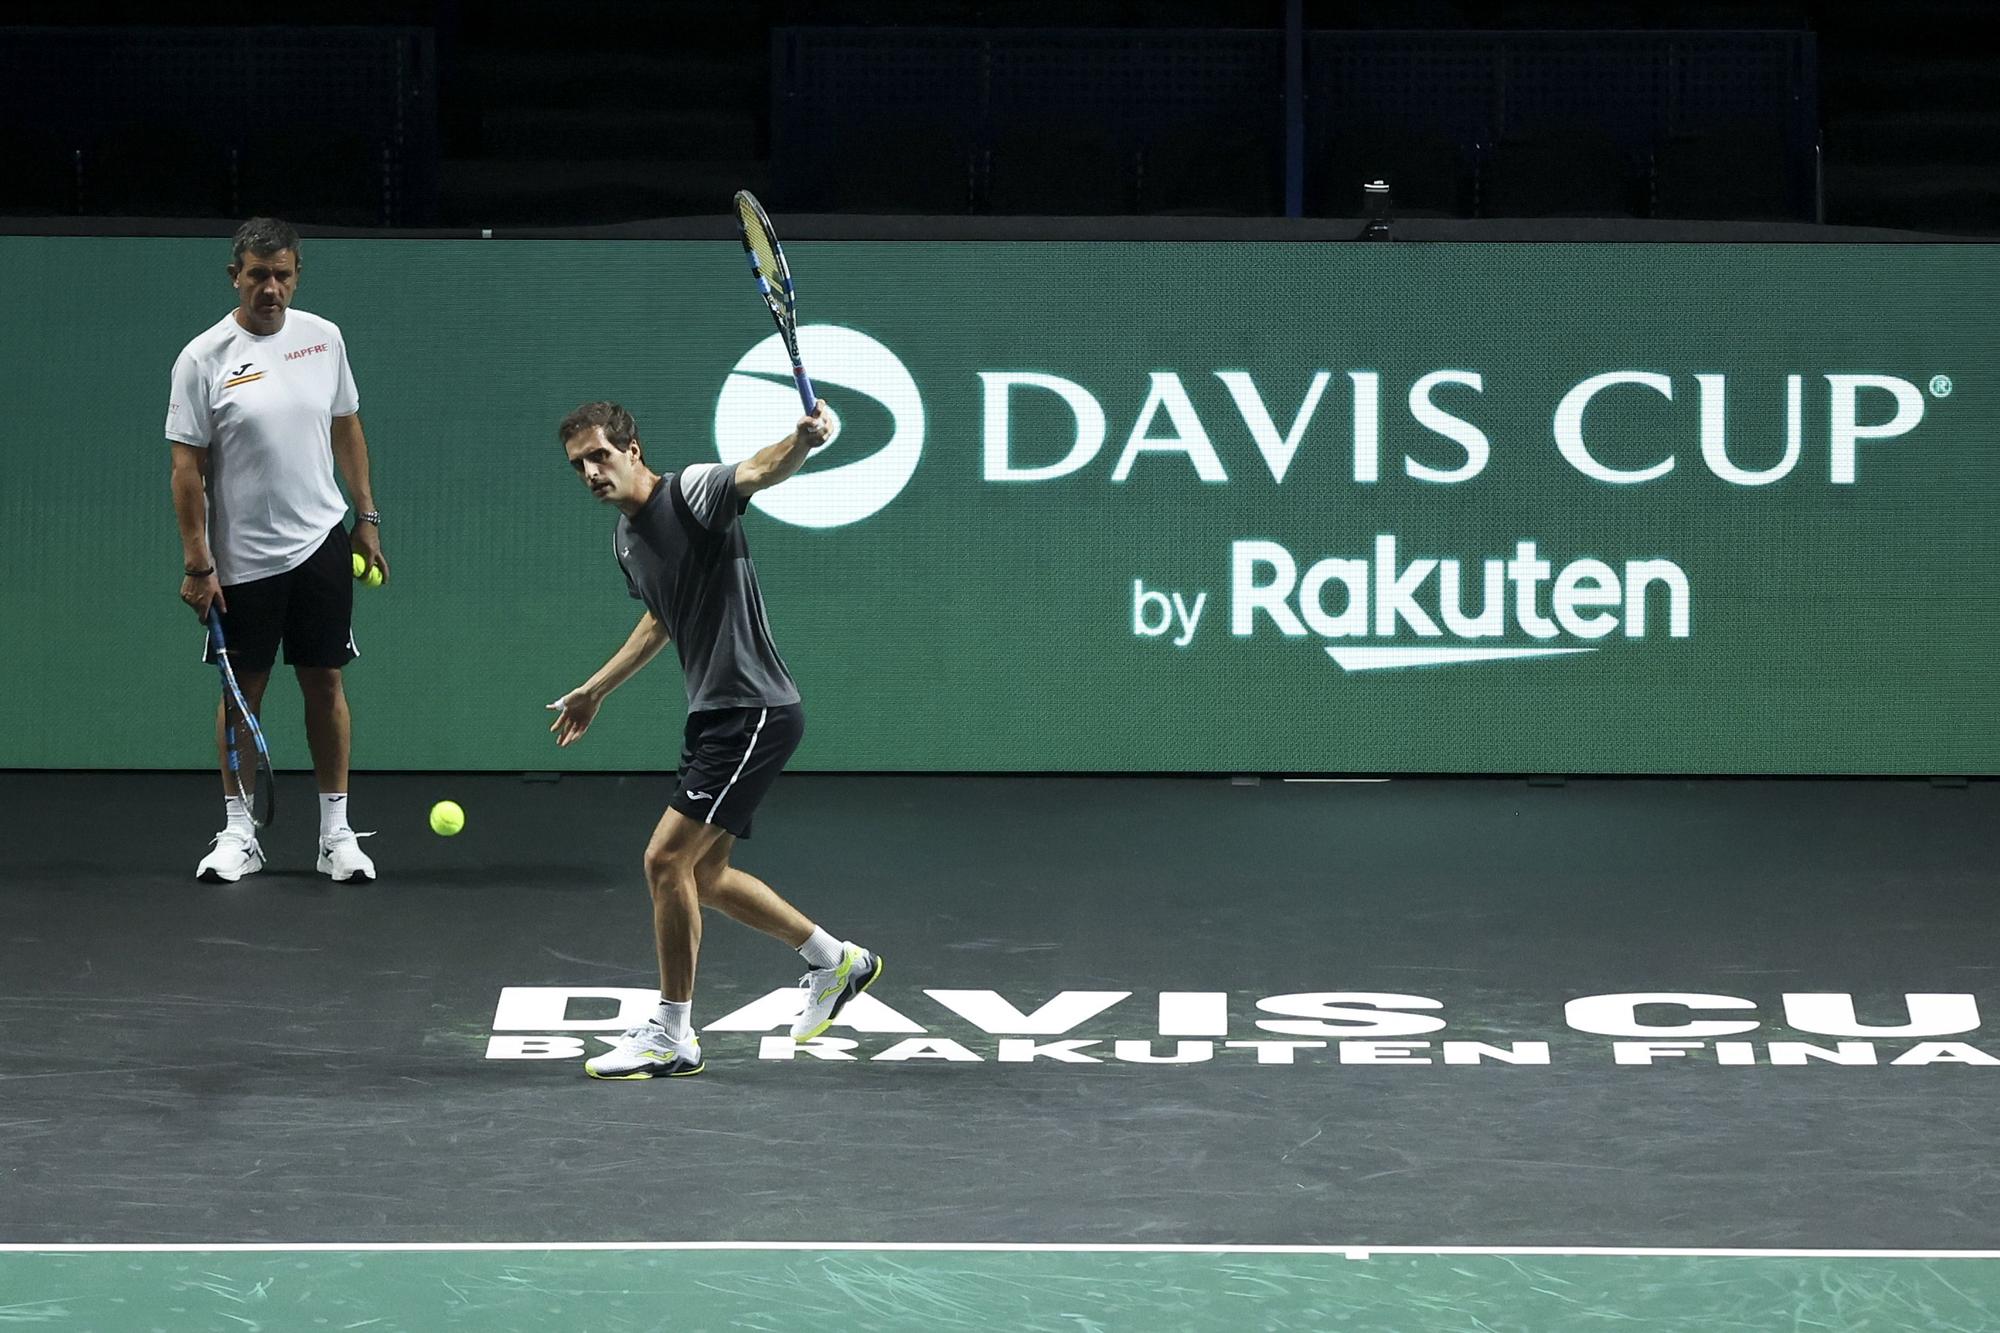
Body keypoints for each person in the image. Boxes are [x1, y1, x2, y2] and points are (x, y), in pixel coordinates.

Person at [548, 400, 882, 1079]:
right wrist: (594, 689)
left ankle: (673, 1032)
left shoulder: (693, 491)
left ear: (633, 449)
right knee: (705, 874)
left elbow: (759, 470)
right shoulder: (624, 541)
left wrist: (803, 438)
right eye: (579, 463)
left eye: (600, 456)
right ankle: (835, 960)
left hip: (753, 708)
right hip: (714, 714)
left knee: (663, 861)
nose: (591, 471)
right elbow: (658, 623)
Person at [167, 217, 386, 885]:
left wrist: (366, 515)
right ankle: (239, 833)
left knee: (325, 684)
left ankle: (335, 834)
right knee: (242, 697)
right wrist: (198, 561)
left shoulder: (324, 340)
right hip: (241, 561)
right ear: (235, 275)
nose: (270, 287)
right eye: (257, 275)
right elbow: (186, 469)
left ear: (296, 274)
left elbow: (346, 424)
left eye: (282, 274)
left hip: (321, 542)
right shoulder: (203, 356)